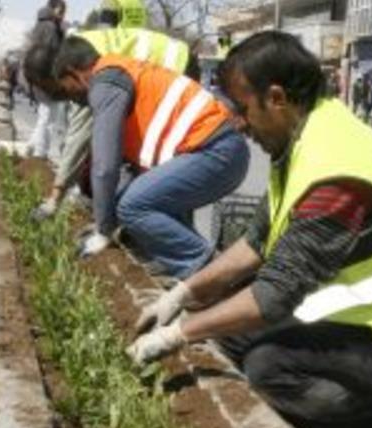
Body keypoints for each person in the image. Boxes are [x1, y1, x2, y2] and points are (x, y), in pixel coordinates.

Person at [127, 31, 372, 428]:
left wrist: (176, 336)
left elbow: (273, 296)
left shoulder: (336, 174)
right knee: (229, 333)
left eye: (243, 110)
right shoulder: (306, 133)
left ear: (277, 98)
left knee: (268, 368)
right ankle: (368, 403)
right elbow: (256, 244)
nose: (239, 125)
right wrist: (183, 295)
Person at [47, 37, 250, 279]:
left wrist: (103, 229)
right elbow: (125, 165)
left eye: (66, 87)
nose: (69, 96)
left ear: (75, 73)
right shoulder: (118, 72)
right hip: (212, 150)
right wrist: (106, 219)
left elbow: (104, 168)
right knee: (136, 200)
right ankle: (195, 272)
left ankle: (214, 276)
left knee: (133, 205)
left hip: (215, 151)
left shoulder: (105, 83)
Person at [26, 26, 197, 221]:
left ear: (56, 73)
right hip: (172, 61)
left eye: (55, 89)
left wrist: (55, 198)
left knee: (166, 158)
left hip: (175, 66)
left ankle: (172, 232)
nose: (63, 96)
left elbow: (80, 137)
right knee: (142, 156)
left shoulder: (82, 69)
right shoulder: (74, 51)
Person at [25, 0, 68, 159]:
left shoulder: (42, 25)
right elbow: (50, 56)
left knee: (45, 115)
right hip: (47, 78)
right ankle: (40, 153)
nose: (63, 14)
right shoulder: (50, 28)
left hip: (39, 76)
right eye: (61, 10)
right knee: (48, 118)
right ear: (53, 8)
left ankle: (31, 146)